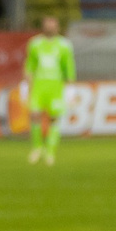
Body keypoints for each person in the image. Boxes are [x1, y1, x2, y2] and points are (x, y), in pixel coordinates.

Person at [22, 15, 74, 166]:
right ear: (43, 26)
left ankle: (50, 151)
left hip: (55, 86)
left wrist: (70, 88)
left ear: (57, 27)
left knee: (54, 118)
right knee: (34, 115)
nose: (50, 27)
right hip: (39, 85)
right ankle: (37, 147)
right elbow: (30, 65)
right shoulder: (35, 43)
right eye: (47, 24)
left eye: (53, 25)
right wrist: (26, 84)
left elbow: (68, 67)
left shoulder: (64, 45)